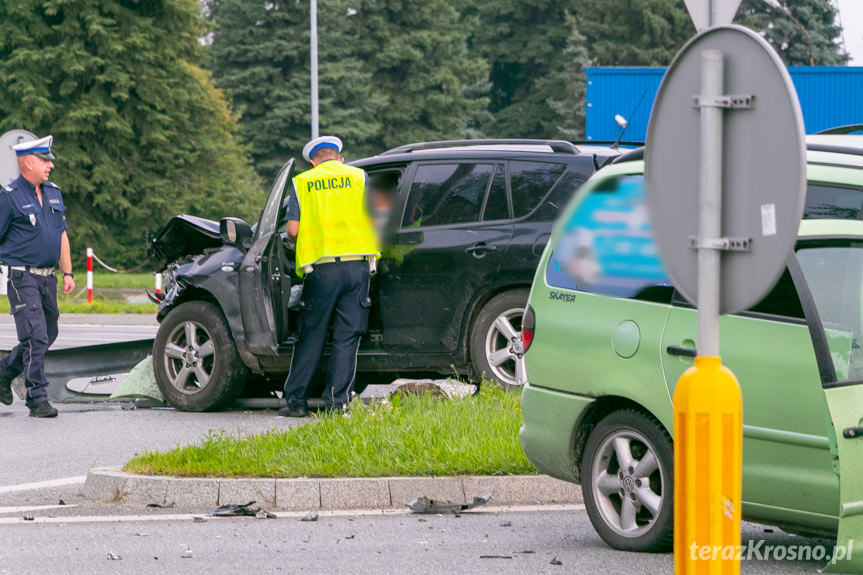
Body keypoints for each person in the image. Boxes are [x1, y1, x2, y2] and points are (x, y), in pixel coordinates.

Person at [279, 136, 379, 417]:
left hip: (321, 270)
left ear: (313, 161)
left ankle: (296, 403)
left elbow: (294, 231)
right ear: (340, 158)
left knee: (311, 335)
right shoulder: (359, 177)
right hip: (357, 268)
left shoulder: (304, 183)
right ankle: (337, 404)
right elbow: (373, 220)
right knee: (347, 338)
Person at [0, 135, 75, 418]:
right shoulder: (9, 197)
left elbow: (61, 234)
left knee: (49, 332)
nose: (50, 166)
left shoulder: (54, 192)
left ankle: (4, 371)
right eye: (45, 160)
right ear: (28, 162)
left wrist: (67, 272)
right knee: (36, 336)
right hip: (23, 278)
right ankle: (37, 398)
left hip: (48, 278)